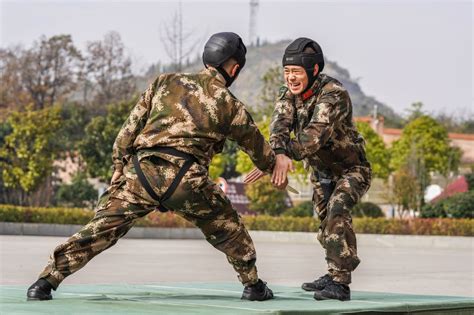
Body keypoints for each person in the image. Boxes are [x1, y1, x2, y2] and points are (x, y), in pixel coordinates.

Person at [27, 32, 282, 302]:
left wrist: (118, 165)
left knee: (101, 228)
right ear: (235, 68)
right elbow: (257, 148)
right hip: (187, 180)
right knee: (228, 227)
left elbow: (129, 129)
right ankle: (253, 286)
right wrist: (274, 164)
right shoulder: (229, 103)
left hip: (142, 173)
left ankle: (45, 282)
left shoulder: (165, 82)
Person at [246, 38, 372, 301]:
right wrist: (274, 157)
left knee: (338, 211)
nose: (291, 78)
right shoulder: (287, 94)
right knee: (326, 223)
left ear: (314, 71)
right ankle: (333, 270)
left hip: (351, 169)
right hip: (320, 171)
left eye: (296, 72)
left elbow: (315, 136)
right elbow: (279, 126)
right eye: (287, 72)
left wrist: (279, 156)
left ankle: (340, 283)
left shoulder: (333, 93)